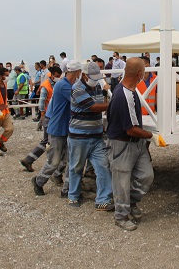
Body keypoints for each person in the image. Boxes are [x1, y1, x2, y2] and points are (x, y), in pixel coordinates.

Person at [106, 57, 156, 231]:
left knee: (146, 176)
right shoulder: (123, 95)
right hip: (122, 144)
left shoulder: (130, 91)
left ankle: (130, 202)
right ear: (140, 74)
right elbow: (130, 128)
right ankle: (121, 216)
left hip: (136, 144)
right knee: (121, 181)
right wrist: (152, 135)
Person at [31, 60, 82, 197]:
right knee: (54, 161)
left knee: (68, 160)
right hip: (58, 129)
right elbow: (78, 101)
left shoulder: (67, 84)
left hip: (66, 128)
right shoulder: (63, 85)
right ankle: (38, 181)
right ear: (77, 72)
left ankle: (67, 189)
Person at [67, 62, 113, 210]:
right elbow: (94, 107)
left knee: (103, 167)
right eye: (93, 78)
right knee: (76, 167)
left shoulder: (98, 88)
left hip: (96, 136)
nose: (95, 80)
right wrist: (117, 102)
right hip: (78, 137)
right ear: (84, 75)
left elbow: (100, 107)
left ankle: (103, 200)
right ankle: (73, 196)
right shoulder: (77, 89)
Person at [20, 66, 62, 172]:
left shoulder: (54, 84)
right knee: (48, 141)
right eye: (56, 76)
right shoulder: (46, 86)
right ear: (52, 75)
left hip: (51, 116)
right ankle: (43, 163)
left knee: (46, 140)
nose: (58, 78)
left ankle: (29, 159)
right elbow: (41, 103)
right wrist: (42, 116)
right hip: (49, 116)